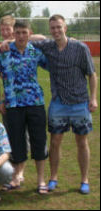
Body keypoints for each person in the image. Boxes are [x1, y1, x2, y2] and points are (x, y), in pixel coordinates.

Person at [31, 14, 98, 194]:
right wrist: (42, 37)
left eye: (59, 27)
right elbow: (27, 39)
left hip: (79, 103)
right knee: (55, 142)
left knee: (82, 142)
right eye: (52, 28)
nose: (56, 30)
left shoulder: (80, 48)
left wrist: (93, 98)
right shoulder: (48, 46)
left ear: (65, 28)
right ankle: (53, 178)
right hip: (58, 103)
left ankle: (84, 180)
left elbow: (92, 75)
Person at [0, 20, 49, 194]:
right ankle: (15, 177)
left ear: (29, 33)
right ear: (13, 34)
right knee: (16, 142)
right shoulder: (3, 52)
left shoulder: (36, 52)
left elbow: (51, 66)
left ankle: (41, 180)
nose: (20, 36)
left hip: (35, 102)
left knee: (39, 141)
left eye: (24, 32)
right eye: (17, 32)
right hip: (13, 104)